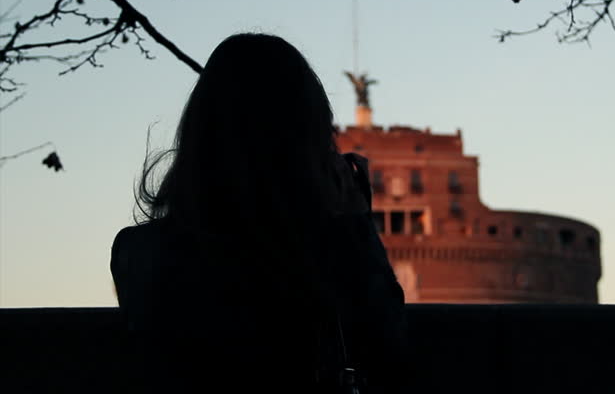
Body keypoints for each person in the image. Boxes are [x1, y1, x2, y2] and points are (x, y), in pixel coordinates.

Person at [110, 33, 407, 393]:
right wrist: (355, 221)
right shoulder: (322, 254)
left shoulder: (136, 252)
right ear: (307, 142)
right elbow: (387, 350)